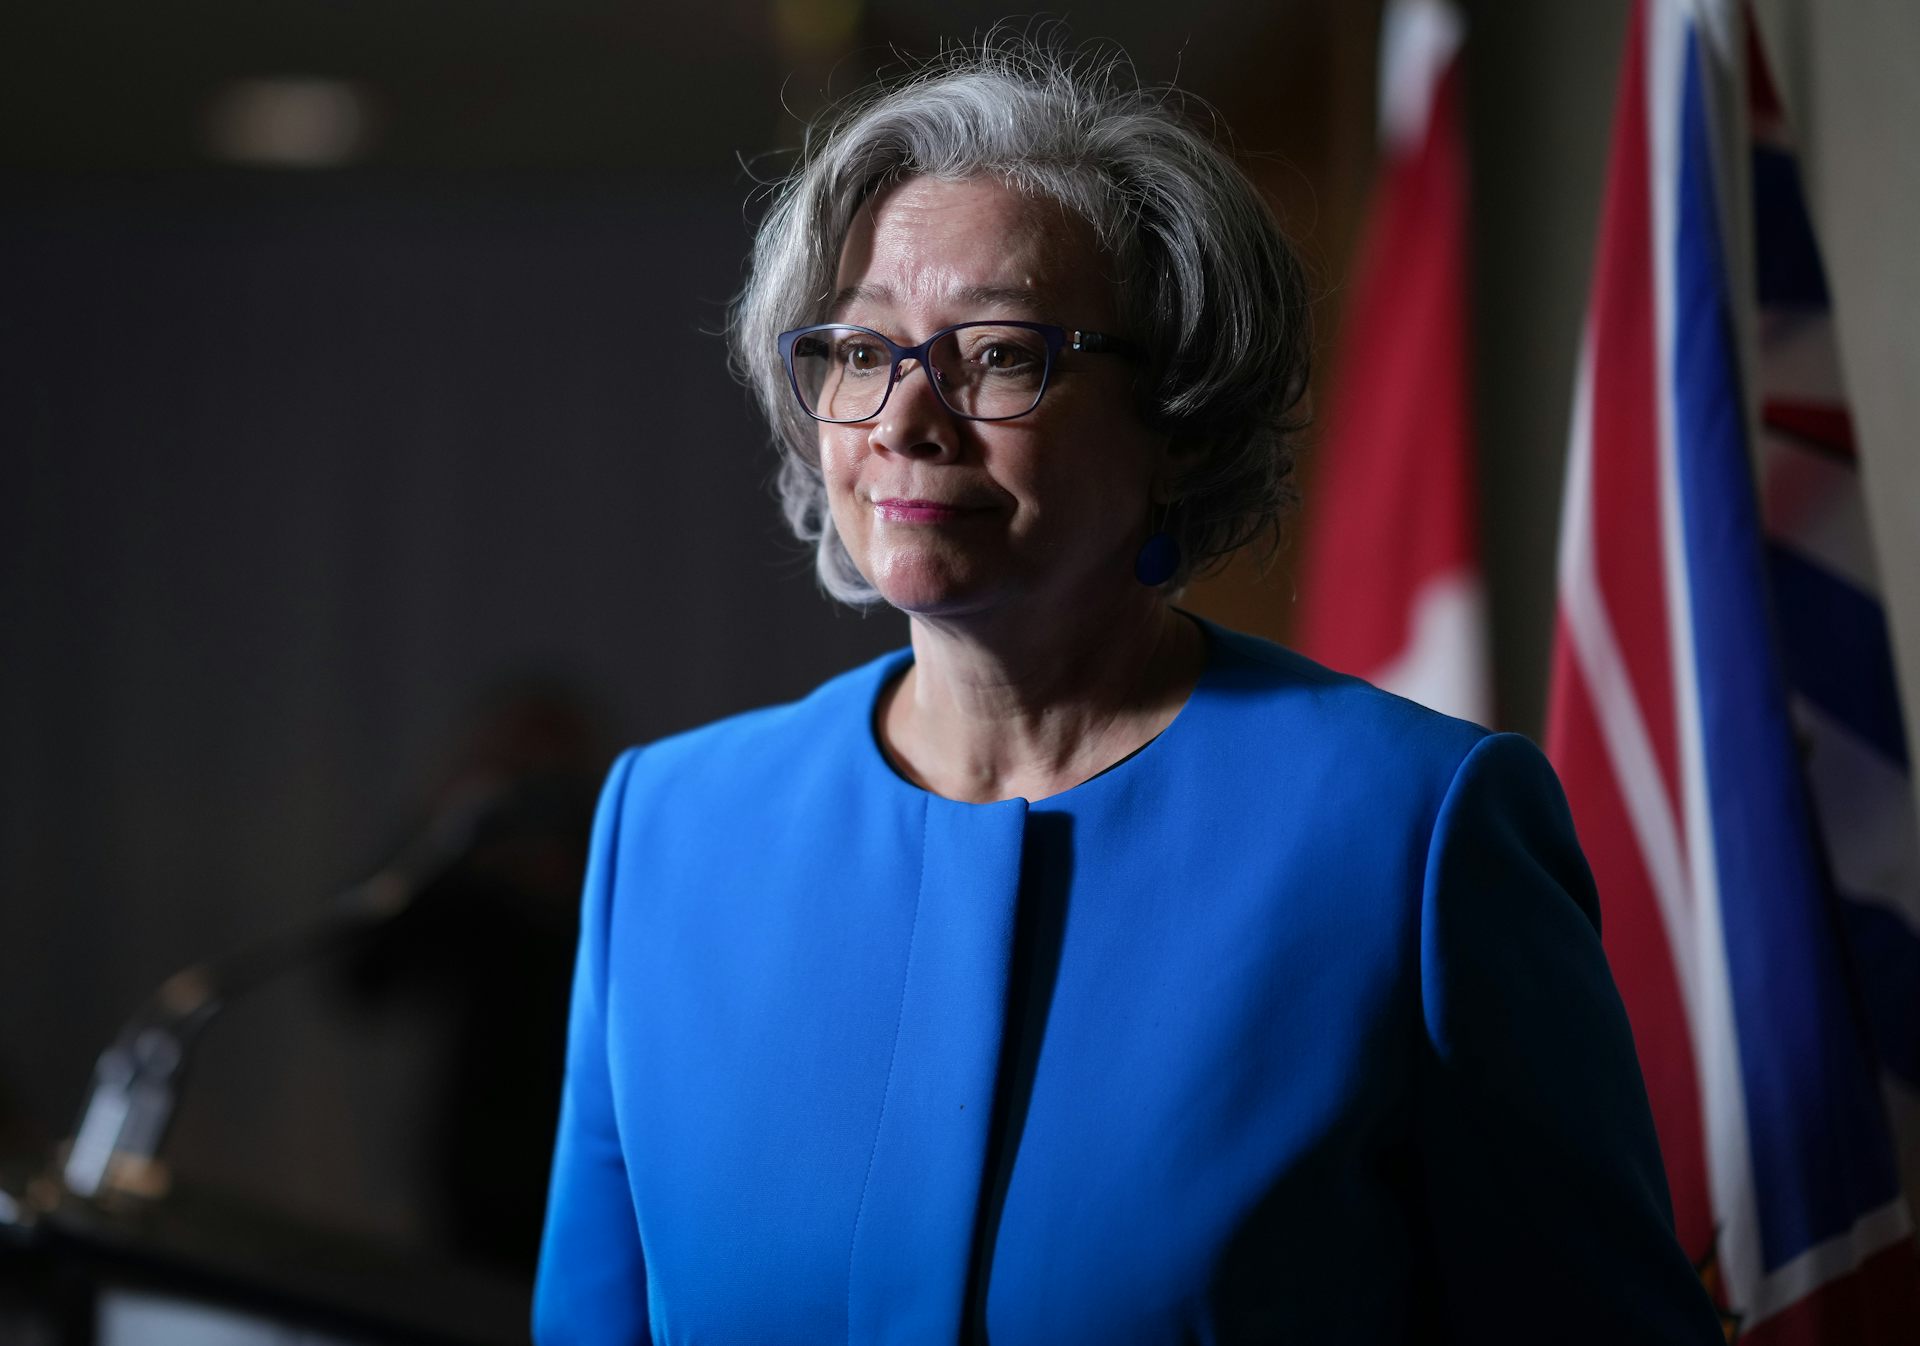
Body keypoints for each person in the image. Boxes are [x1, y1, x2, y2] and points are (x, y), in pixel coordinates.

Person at [533, 40, 1726, 1345]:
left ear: (1181, 422)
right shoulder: (671, 828)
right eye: (862, 350)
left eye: (997, 354)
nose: (905, 420)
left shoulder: (1414, 830)